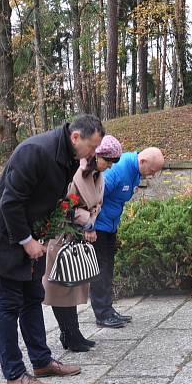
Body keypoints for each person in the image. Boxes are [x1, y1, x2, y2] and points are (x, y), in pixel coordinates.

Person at [0, 114, 104, 384]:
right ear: (76, 137)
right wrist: (27, 242)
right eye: (92, 146)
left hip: (30, 235)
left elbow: (51, 198)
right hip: (3, 237)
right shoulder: (35, 151)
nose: (94, 153)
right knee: (9, 304)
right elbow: (10, 202)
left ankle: (41, 361)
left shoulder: (69, 157)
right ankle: (14, 374)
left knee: (32, 298)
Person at [42, 135, 123, 352]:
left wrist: (90, 223)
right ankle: (68, 334)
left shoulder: (98, 174)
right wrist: (88, 223)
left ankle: (73, 332)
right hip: (62, 236)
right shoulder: (76, 171)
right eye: (108, 160)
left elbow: (95, 204)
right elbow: (65, 205)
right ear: (97, 155)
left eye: (114, 161)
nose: (110, 165)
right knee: (61, 287)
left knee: (73, 287)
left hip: (77, 237)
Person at [91, 147, 165, 328]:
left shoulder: (135, 171)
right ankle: (102, 314)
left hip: (110, 226)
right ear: (143, 162)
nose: (152, 175)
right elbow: (94, 197)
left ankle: (108, 309)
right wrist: (88, 225)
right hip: (98, 227)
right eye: (152, 171)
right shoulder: (118, 169)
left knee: (108, 268)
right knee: (100, 269)